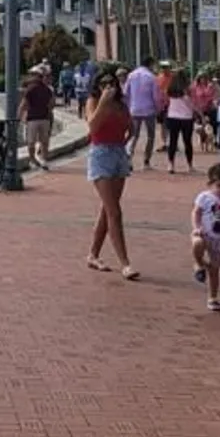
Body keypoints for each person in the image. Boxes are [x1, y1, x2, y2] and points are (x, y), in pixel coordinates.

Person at [83, 68, 138, 281]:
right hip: (100, 154)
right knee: (115, 212)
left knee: (108, 210)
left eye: (111, 83)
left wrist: (123, 146)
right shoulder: (94, 102)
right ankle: (125, 262)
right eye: (103, 83)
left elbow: (131, 129)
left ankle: (93, 254)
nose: (108, 87)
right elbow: (92, 126)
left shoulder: (121, 105)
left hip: (117, 153)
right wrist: (103, 102)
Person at [191, 160, 220, 312]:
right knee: (197, 244)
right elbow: (196, 212)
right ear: (212, 183)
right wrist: (197, 227)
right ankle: (198, 263)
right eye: (219, 186)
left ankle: (213, 297)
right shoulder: (204, 197)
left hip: (219, 238)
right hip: (204, 233)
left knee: (215, 269)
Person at [122, 56, 163, 168]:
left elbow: (126, 93)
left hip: (134, 109)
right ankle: (146, 160)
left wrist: (127, 106)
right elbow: (155, 96)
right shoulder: (151, 77)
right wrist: (158, 108)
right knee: (150, 136)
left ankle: (129, 157)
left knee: (134, 135)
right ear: (150, 65)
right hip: (149, 109)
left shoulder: (131, 75)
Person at [162, 65, 198, 173]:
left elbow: (165, 99)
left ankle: (171, 164)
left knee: (173, 141)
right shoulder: (188, 89)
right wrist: (199, 113)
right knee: (187, 141)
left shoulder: (170, 89)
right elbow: (191, 104)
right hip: (186, 117)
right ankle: (190, 165)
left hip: (173, 116)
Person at [21, 64, 57, 171]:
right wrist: (48, 111)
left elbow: (24, 104)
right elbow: (51, 104)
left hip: (34, 117)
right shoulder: (47, 89)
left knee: (32, 141)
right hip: (44, 117)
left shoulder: (31, 88)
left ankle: (34, 159)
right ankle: (42, 159)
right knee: (44, 140)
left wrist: (20, 117)